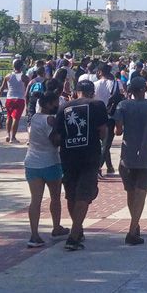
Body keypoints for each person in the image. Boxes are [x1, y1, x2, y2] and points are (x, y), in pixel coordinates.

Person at [54, 80, 110, 250]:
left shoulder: (64, 107)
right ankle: (73, 235)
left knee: (71, 195)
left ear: (76, 91)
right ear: (92, 92)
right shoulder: (98, 105)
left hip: (68, 156)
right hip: (89, 155)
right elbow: (103, 131)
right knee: (84, 195)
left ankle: (77, 230)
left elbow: (56, 136)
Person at [114, 76, 147, 245]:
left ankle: (134, 224)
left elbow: (118, 130)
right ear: (144, 90)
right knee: (141, 193)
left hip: (127, 156)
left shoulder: (123, 105)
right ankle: (132, 229)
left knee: (131, 193)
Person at [24, 91, 69, 247]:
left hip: (31, 162)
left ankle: (34, 234)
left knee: (35, 200)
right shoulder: (50, 120)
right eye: (55, 102)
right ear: (48, 104)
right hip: (50, 162)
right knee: (55, 197)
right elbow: (55, 141)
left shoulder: (34, 117)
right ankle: (56, 227)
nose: (58, 105)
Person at [3, 58, 27, 143]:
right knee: (16, 119)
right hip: (19, 99)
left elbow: (3, 87)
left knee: (8, 117)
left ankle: (7, 135)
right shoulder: (24, 77)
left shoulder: (8, 76)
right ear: (21, 67)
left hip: (9, 98)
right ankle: (13, 137)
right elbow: (27, 89)